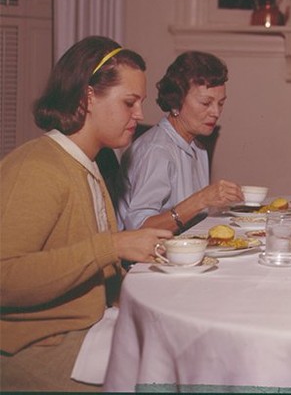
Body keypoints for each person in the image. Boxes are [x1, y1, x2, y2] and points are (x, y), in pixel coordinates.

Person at [0, 36, 174, 391]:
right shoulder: (38, 166)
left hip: (86, 329)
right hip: (33, 346)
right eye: (130, 103)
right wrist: (111, 246)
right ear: (88, 97)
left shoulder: (91, 164)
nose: (140, 116)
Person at [117, 51, 243, 232]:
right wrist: (200, 200)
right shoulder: (157, 151)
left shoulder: (198, 147)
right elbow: (139, 228)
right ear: (176, 102)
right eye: (206, 103)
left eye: (220, 103)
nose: (215, 112)